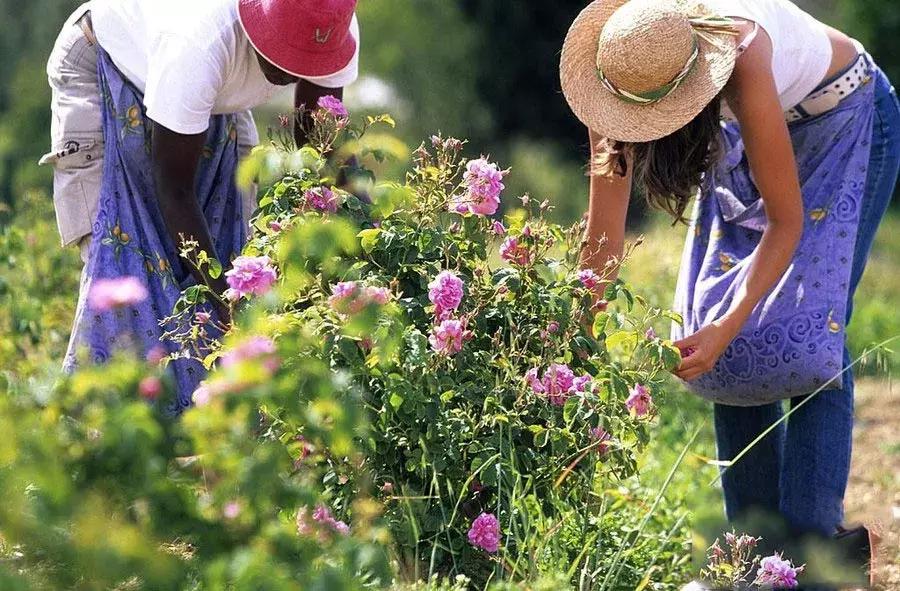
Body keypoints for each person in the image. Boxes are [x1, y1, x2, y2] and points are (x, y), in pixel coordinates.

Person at [560, 0, 897, 584]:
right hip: (748, 126)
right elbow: (603, 240)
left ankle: (810, 556)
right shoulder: (616, 75)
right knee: (720, 335)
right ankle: (756, 557)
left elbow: (786, 223)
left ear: (687, 92)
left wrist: (731, 322)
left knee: (810, 320)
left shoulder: (741, 55)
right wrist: (571, 349)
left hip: (845, 113)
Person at [41, 0, 360, 412]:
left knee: (236, 252)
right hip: (109, 62)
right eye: (283, 56)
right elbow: (173, 187)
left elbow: (319, 144)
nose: (288, 74)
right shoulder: (200, 42)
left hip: (210, 95)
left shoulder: (328, 20)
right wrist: (230, 308)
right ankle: (108, 442)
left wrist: (369, 236)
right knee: (127, 264)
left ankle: (210, 443)